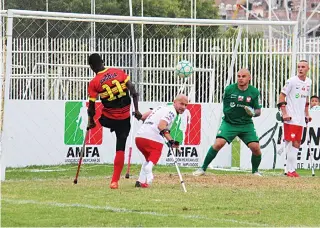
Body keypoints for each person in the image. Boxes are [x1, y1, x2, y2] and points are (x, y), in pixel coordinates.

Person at [87, 53, 142, 189]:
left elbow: (92, 108)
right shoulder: (118, 72)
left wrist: (91, 121)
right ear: (103, 62)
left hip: (109, 119)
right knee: (120, 146)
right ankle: (114, 181)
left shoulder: (94, 83)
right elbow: (133, 90)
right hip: (125, 118)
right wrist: (137, 110)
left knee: (100, 118)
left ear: (91, 67)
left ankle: (104, 123)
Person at [193, 68, 263, 176]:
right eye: (238, 76)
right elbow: (227, 108)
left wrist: (253, 113)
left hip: (246, 124)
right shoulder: (229, 89)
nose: (240, 78)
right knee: (218, 144)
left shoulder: (254, 92)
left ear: (249, 78)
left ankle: (255, 172)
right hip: (229, 123)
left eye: (243, 76)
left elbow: (258, 111)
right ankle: (202, 168)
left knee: (256, 148)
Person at [134, 94, 188, 188]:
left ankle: (140, 181)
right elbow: (161, 126)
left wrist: (138, 115)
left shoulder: (160, 108)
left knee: (149, 158)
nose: (183, 107)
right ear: (174, 102)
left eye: (185, 105)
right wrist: (171, 141)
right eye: (181, 104)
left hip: (139, 137)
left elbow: (143, 117)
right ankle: (149, 169)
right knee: (157, 150)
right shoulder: (172, 112)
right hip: (150, 137)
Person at [278, 60, 312, 177]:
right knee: (292, 141)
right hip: (291, 117)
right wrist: (284, 113)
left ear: (308, 69)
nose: (300, 69)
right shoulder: (291, 81)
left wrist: (307, 114)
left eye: (303, 67)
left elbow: (306, 99)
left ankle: (291, 169)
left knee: (297, 142)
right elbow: (282, 96)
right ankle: (290, 170)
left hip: (301, 118)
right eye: (298, 67)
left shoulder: (309, 82)